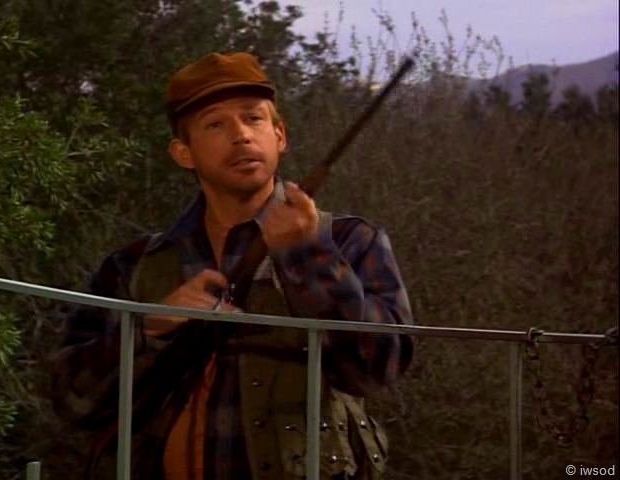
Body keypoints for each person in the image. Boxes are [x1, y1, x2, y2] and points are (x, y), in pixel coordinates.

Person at [52, 52, 413, 480]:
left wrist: (307, 257)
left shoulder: (350, 242)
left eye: (253, 118)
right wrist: (149, 328)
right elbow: (72, 400)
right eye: (215, 124)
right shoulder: (133, 265)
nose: (241, 135)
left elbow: (377, 369)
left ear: (279, 135)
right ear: (183, 152)